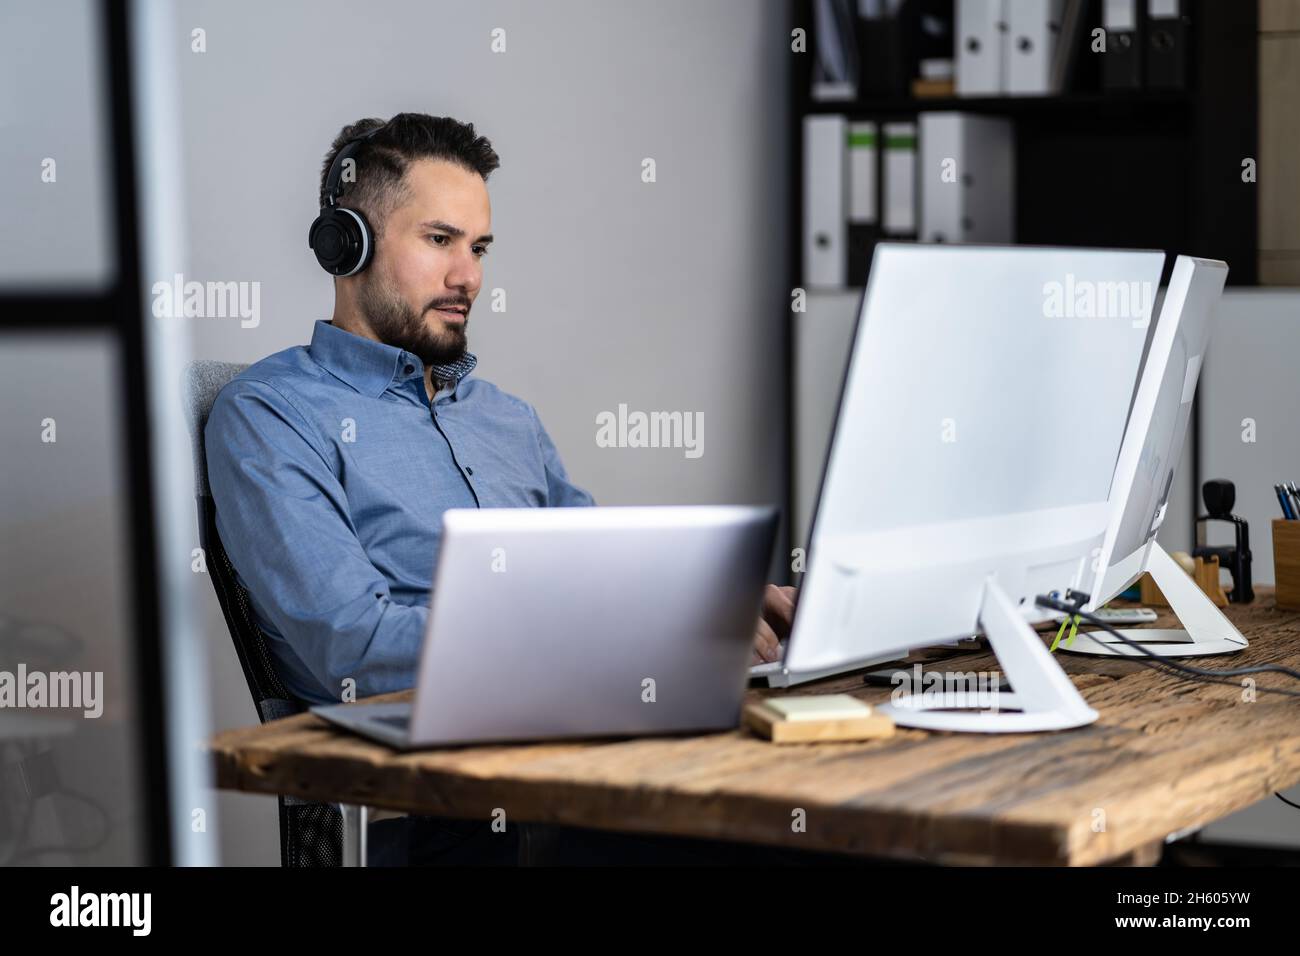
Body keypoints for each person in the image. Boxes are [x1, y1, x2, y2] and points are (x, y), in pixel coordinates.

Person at [205, 113, 794, 864]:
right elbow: (355, 649)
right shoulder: (270, 415)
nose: (469, 278)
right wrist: (629, 634)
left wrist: (710, 604)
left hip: (591, 748)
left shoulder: (507, 420)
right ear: (343, 243)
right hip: (441, 799)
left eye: (478, 248)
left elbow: (608, 576)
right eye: (440, 240)